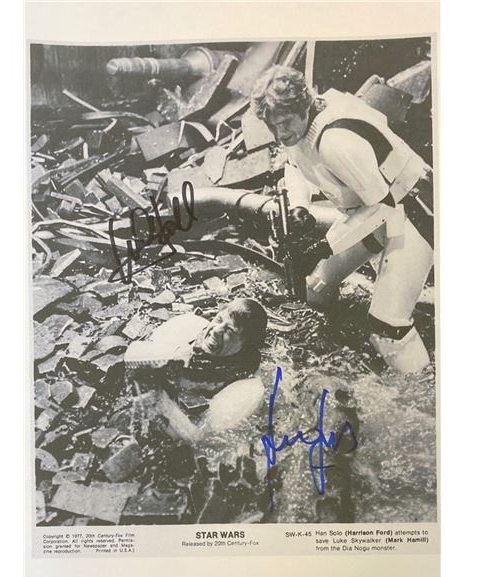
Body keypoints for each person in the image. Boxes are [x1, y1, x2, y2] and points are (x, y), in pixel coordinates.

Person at [250, 65, 434, 373]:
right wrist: (299, 208)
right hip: (374, 211)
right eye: (272, 126)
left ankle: (423, 389)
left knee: (387, 326)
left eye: (284, 122)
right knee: (316, 288)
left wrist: (323, 247)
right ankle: (336, 351)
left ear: (303, 106)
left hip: (414, 213)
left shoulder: (336, 140)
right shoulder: (305, 123)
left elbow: (382, 207)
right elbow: (295, 164)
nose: (280, 134)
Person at [125, 298, 268, 441]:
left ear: (245, 347)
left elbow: (202, 437)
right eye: (218, 320)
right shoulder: (188, 326)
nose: (216, 331)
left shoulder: (247, 388)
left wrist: (158, 399)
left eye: (229, 331)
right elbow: (138, 353)